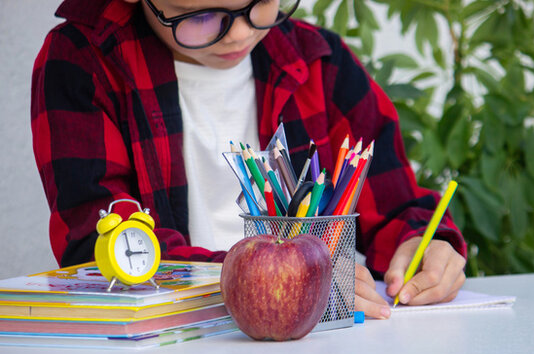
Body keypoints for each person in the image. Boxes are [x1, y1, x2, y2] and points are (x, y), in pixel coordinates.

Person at [30, 0, 467, 320]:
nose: (239, 34)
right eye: (200, 17)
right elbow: (96, 245)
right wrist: (267, 279)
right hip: (173, 341)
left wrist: (420, 245)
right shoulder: (83, 62)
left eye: (260, 5)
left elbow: (394, 205)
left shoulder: (320, 61)